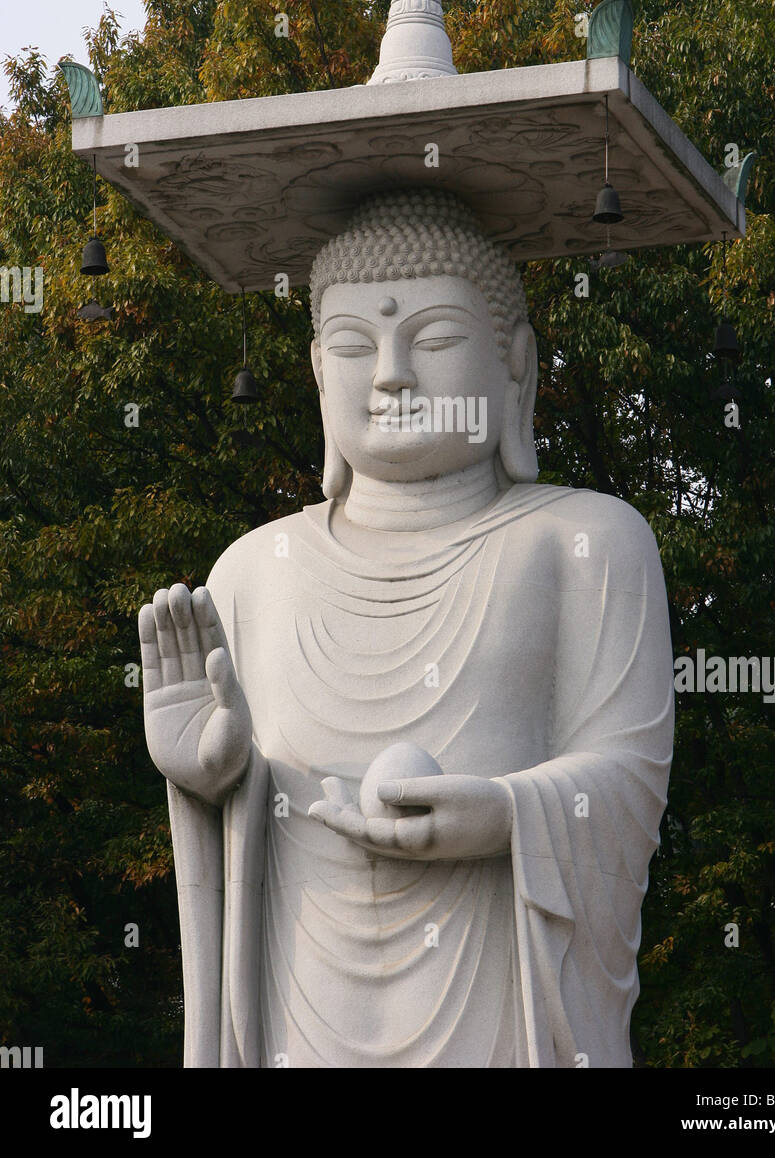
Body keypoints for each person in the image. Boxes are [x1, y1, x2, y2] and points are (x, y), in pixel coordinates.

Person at [139, 188, 674, 1068]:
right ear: (317, 373)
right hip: (299, 1009)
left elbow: (629, 777)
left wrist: (504, 814)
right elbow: (245, 820)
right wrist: (215, 780)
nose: (390, 373)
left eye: (434, 338)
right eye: (353, 345)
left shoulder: (585, 541)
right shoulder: (250, 572)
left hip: (499, 993)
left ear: (517, 368)